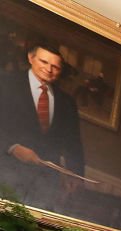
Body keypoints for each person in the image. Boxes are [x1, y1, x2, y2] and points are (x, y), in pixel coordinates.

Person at [0, 41, 85, 214]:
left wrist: (76, 175)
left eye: (55, 67)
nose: (49, 69)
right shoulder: (5, 82)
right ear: (31, 58)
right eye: (44, 62)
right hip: (5, 174)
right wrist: (12, 147)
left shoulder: (67, 102)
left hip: (44, 187)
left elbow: (73, 142)